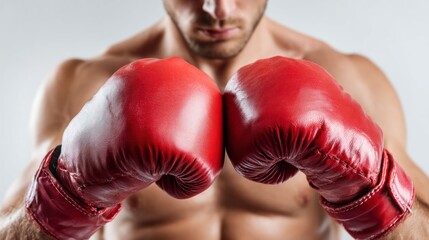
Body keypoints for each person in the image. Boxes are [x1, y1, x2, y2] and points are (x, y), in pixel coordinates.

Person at [0, 0, 428, 239]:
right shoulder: (85, 84)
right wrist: (68, 191)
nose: (216, 8)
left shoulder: (349, 77)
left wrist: (369, 187)